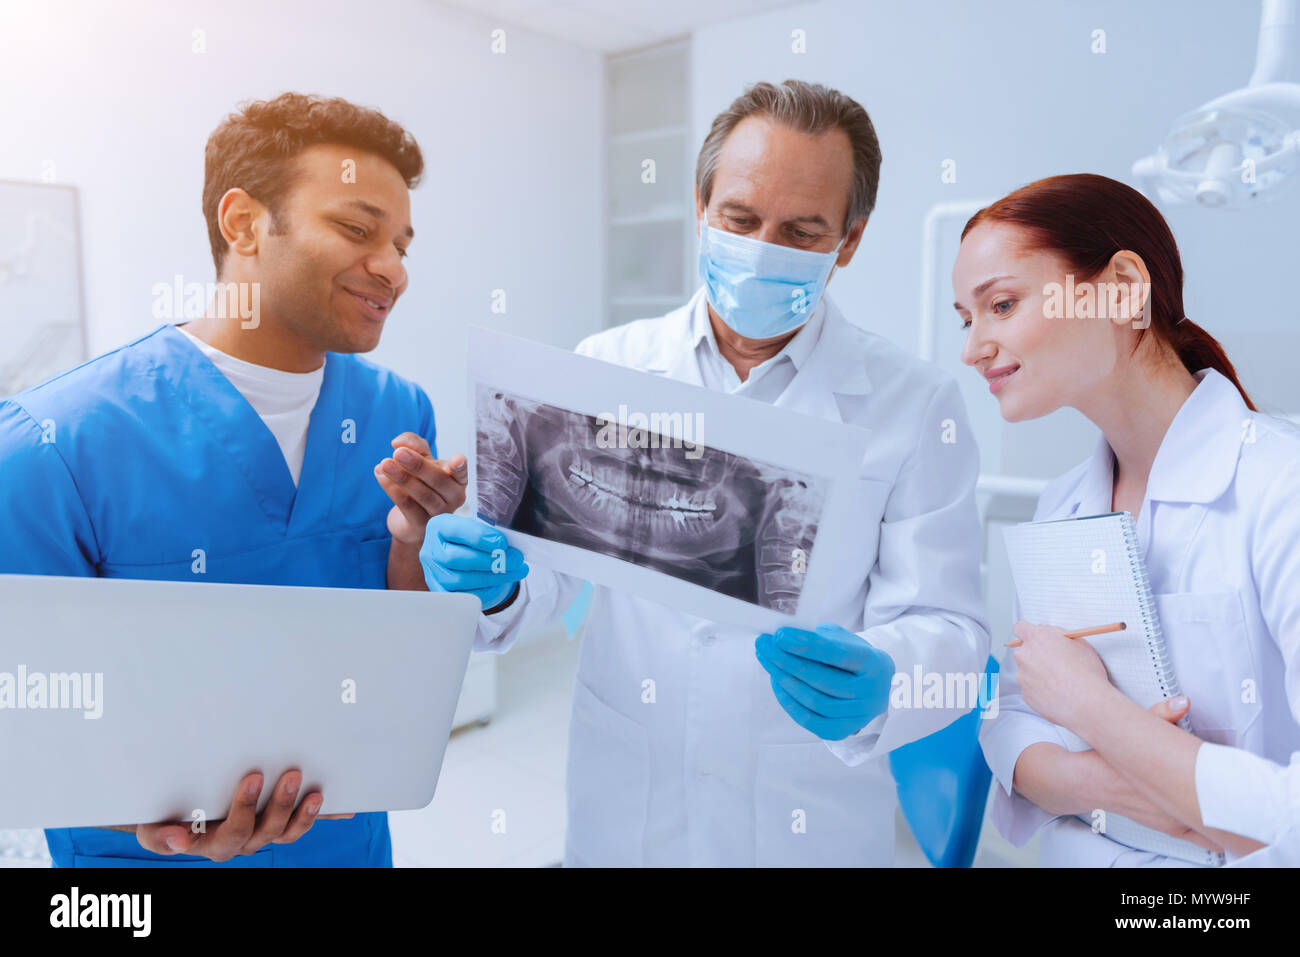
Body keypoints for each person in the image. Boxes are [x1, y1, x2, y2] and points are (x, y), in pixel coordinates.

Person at [421, 79, 990, 866]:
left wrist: (889, 675)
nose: (762, 248)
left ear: (848, 240)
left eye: (801, 230)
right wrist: (498, 583)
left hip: (805, 813)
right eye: (740, 218)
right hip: (630, 795)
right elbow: (551, 574)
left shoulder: (914, 405)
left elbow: (954, 629)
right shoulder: (611, 366)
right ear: (700, 205)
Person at [0, 92, 467, 867]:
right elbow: (24, 719)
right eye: (356, 229)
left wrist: (415, 545)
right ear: (243, 222)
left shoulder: (398, 412)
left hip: (345, 843)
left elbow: (396, 644)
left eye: (403, 245)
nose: (392, 269)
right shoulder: (54, 445)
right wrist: (141, 819)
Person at [955, 173, 1300, 866]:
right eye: (968, 319)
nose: (974, 348)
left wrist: (1091, 710)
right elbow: (1012, 721)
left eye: (1001, 304)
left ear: (1121, 286)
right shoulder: (1063, 507)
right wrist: (1118, 781)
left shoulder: (1278, 485)